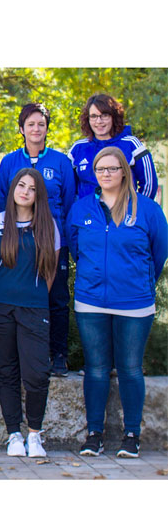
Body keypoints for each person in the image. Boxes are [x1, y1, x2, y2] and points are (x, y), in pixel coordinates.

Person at [68, 147, 167, 459]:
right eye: (100, 169)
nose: (106, 174)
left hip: (134, 302)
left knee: (130, 369)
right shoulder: (81, 208)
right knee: (96, 369)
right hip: (91, 301)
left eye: (112, 168)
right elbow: (75, 249)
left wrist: (138, 281)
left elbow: (159, 253)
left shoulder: (147, 210)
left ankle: (132, 435)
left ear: (125, 171)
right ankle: (94, 434)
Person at [0, 103, 75, 376]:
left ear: (47, 128)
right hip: (18, 241)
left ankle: (59, 354)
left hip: (51, 240)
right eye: (31, 124)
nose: (36, 129)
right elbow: (2, 201)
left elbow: (69, 202)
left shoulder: (61, 162)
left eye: (41, 124)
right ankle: (19, 355)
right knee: (21, 295)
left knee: (57, 296)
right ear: (21, 129)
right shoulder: (9, 162)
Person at [0, 169, 60, 458]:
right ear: (13, 188)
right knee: (6, 372)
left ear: (39, 194)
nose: (25, 192)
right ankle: (14, 434)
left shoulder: (48, 226)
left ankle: (35, 435)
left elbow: (50, 271)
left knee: (37, 374)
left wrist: (32, 294)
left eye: (32, 188)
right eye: (21, 185)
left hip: (34, 307)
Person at [69, 93, 159, 200]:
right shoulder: (78, 148)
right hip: (87, 210)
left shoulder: (131, 144)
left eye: (104, 115)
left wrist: (136, 207)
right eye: (93, 116)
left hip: (123, 209)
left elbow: (149, 184)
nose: (99, 121)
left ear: (114, 117)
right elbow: (68, 188)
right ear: (87, 119)